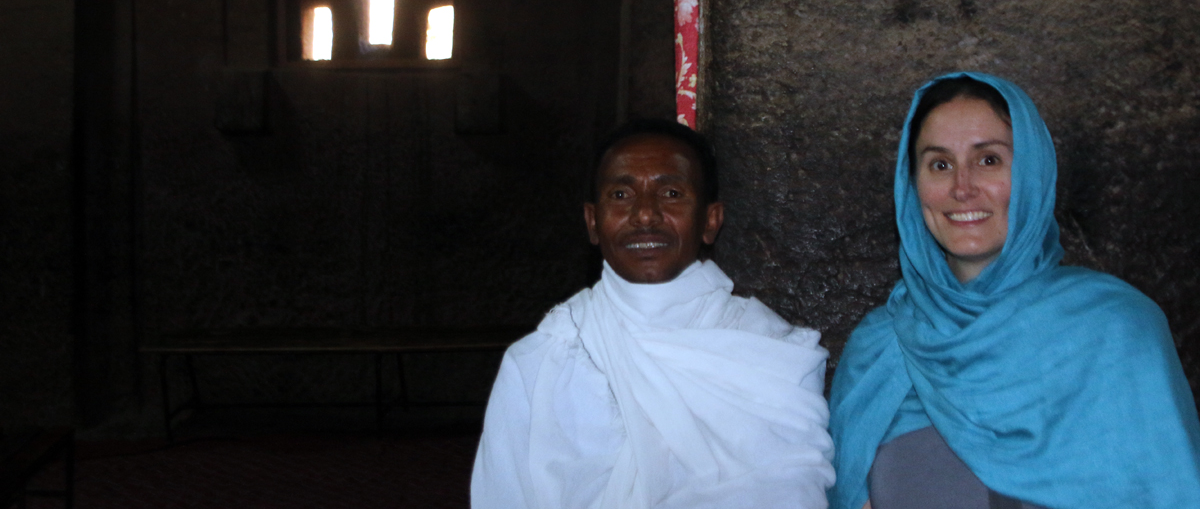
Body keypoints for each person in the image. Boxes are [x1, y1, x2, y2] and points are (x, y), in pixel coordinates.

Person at [828, 72, 1200, 509]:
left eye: (988, 160)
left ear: (1032, 173)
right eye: (940, 164)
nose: (962, 188)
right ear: (912, 187)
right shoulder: (878, 353)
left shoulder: (1115, 331)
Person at [471, 118, 835, 509]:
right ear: (592, 222)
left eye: (671, 193)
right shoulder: (541, 360)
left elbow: (793, 492)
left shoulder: (773, 355)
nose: (645, 214)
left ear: (711, 220)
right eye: (621, 194)